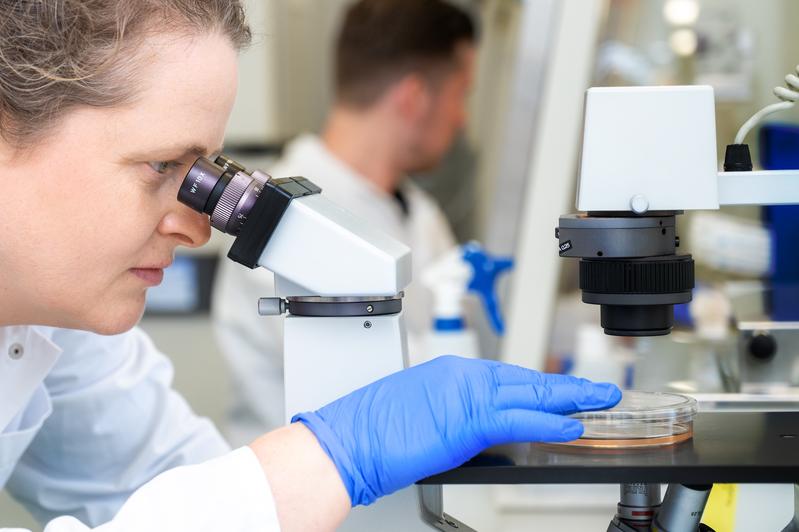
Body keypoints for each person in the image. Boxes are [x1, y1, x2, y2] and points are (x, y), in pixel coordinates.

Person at [0, 1, 621, 531]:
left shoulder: (55, 328)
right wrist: (335, 454)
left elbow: (163, 477)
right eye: (162, 166)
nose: (195, 228)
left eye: (202, 177)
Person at [214, 0, 478, 443]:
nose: (461, 117)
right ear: (414, 98)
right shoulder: (283, 228)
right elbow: (390, 389)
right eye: (461, 94)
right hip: (304, 498)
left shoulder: (418, 209)